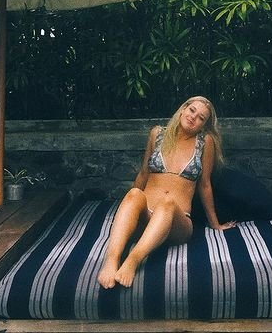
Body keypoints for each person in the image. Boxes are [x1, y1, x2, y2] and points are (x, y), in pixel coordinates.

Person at [97, 95, 236, 289]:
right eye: (192, 110)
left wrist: (215, 224)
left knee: (168, 203)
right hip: (147, 216)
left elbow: (205, 185)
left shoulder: (205, 142)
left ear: (204, 125)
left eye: (201, 118)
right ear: (183, 109)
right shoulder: (157, 134)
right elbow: (143, 173)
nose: (193, 117)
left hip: (177, 223)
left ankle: (132, 260)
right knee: (134, 194)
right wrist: (127, 212)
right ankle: (111, 260)